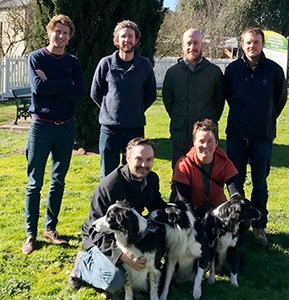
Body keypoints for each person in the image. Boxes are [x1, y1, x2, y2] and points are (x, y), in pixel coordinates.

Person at [21, 15, 86, 255]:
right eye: (57, 31)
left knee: (58, 181)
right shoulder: (36, 57)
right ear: (49, 32)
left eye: (65, 33)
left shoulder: (73, 62)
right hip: (41, 127)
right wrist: (66, 84)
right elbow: (38, 89)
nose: (60, 36)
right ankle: (31, 235)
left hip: (66, 127)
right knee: (34, 182)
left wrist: (56, 85)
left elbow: (79, 91)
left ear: (69, 37)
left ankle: (51, 228)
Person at [68, 137, 166, 295]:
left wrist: (175, 212)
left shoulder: (151, 178)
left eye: (149, 159)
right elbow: (95, 230)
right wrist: (123, 257)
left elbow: (155, 204)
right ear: (127, 158)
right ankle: (82, 264)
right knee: (115, 280)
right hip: (99, 236)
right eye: (138, 159)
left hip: (127, 235)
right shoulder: (110, 186)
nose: (144, 165)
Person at [224, 28, 287, 246]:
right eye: (248, 42)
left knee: (260, 183)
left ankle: (259, 227)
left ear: (262, 44)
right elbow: (229, 98)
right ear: (242, 44)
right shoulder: (232, 70)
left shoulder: (274, 70)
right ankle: (237, 225)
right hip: (237, 136)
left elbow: (279, 100)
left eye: (256, 42)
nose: (252, 46)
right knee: (235, 182)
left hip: (262, 137)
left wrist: (265, 118)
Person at [162, 28, 225, 200]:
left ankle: (207, 214)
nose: (192, 47)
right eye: (188, 43)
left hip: (205, 139)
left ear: (202, 44)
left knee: (207, 176)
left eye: (196, 42)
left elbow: (220, 102)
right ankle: (176, 214)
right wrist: (180, 118)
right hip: (180, 134)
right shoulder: (173, 73)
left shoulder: (214, 72)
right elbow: (169, 101)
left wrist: (208, 126)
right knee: (178, 174)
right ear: (182, 46)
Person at [90, 20, 157, 179]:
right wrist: (110, 110)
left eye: (131, 36)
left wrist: (136, 109)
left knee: (134, 173)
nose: (127, 40)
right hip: (109, 129)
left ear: (137, 40)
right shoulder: (105, 63)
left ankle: (131, 204)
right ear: (117, 40)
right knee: (108, 175)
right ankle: (108, 204)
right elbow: (95, 92)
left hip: (135, 128)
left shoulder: (144, 65)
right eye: (123, 36)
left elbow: (151, 94)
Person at [173, 119, 240, 218]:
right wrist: (195, 224)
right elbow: (184, 201)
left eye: (210, 141)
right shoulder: (183, 164)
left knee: (244, 221)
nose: (205, 146)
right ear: (194, 142)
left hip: (217, 208)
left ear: (216, 143)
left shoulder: (225, 162)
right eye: (201, 141)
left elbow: (235, 192)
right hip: (190, 210)